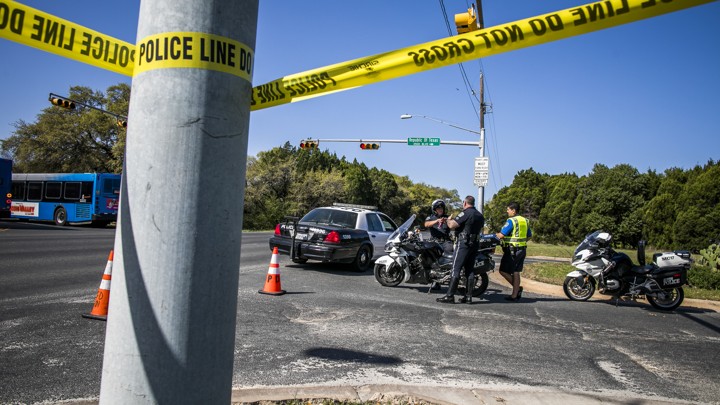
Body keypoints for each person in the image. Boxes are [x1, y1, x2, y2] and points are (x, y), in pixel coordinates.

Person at [436, 195, 485, 304]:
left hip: (464, 244)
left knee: (456, 268)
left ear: (465, 203)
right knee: (470, 270)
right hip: (475, 244)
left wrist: (448, 220)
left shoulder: (465, 213)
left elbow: (452, 225)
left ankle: (449, 296)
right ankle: (468, 297)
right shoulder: (480, 215)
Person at [496, 202, 532, 301]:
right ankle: (515, 294)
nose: (507, 211)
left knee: (503, 271)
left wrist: (495, 235)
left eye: (508, 209)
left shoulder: (511, 220)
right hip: (522, 249)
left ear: (513, 210)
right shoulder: (525, 221)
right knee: (516, 271)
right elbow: (529, 236)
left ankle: (516, 290)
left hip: (512, 250)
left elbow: (502, 235)